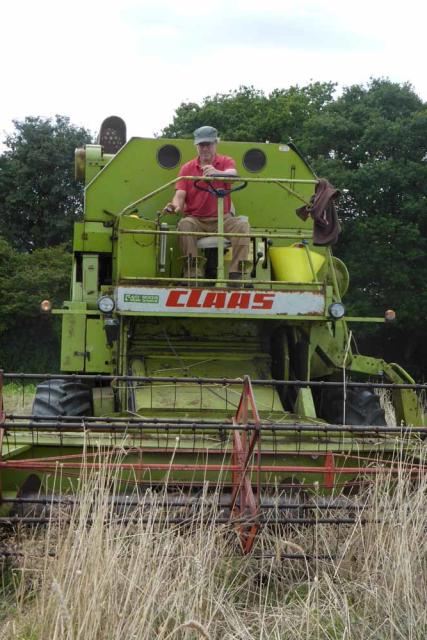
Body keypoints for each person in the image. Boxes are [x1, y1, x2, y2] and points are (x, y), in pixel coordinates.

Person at [165, 126, 250, 282]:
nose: (205, 149)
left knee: (242, 226)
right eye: (201, 145)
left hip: (223, 219)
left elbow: (233, 175)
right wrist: (174, 205)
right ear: (196, 146)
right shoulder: (187, 168)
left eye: (208, 144)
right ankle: (193, 274)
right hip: (196, 219)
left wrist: (218, 173)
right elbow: (179, 194)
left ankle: (237, 275)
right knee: (184, 224)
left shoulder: (225, 162)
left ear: (216, 143)